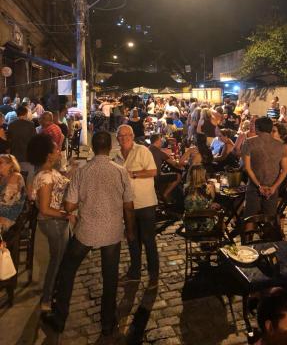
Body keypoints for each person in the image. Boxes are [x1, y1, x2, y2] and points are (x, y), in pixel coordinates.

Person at [42, 131, 135, 337]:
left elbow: (69, 204)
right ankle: (107, 322)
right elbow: (129, 205)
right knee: (110, 277)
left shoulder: (83, 172)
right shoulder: (120, 171)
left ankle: (59, 317)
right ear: (110, 148)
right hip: (112, 230)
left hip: (87, 230)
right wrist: (130, 231)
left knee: (67, 271)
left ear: (92, 148)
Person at [27, 134, 74, 311]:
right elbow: (45, 208)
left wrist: (72, 170)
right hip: (53, 222)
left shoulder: (47, 172)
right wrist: (66, 215)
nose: (58, 151)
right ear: (48, 155)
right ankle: (47, 299)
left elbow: (60, 183)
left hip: (55, 221)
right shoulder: (45, 177)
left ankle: (54, 293)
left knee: (59, 260)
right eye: (56, 149)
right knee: (57, 261)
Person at [114, 125, 159, 286]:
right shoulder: (117, 156)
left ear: (132, 136)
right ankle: (134, 272)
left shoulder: (142, 151)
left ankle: (153, 275)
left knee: (148, 240)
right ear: (117, 138)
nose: (124, 138)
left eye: (127, 135)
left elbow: (153, 171)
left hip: (145, 202)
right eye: (121, 135)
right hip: (128, 206)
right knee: (132, 239)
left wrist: (133, 174)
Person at [242, 117, 287, 217]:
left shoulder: (249, 142)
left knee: (250, 218)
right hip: (272, 188)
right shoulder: (280, 146)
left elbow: (247, 168)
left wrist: (259, 186)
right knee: (269, 219)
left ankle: (249, 233)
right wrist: (274, 187)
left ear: (257, 128)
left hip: (254, 187)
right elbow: (285, 170)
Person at [149, 134, 182, 203]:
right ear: (157, 141)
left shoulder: (148, 149)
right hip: (157, 177)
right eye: (161, 140)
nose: (162, 142)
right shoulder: (159, 152)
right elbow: (175, 164)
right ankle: (165, 194)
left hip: (150, 177)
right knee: (178, 176)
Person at [183, 165, 217, 232]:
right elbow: (212, 199)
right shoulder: (209, 188)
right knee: (219, 211)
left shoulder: (186, 188)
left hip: (190, 225)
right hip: (206, 224)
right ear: (203, 174)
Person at [7, 105, 36, 182]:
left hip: (14, 157)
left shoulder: (11, 125)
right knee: (29, 181)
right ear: (26, 113)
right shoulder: (31, 125)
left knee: (16, 180)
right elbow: (34, 141)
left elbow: (9, 141)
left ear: (17, 114)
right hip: (27, 157)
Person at [0, 154, 25, 231]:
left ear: (10, 164)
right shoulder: (3, 178)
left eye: (0, 162)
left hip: (9, 216)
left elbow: (6, 202)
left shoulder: (15, 177)